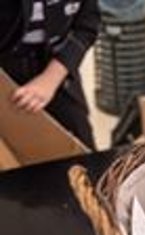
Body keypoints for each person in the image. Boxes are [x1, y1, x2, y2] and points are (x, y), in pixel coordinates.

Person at [0, 0, 100, 150]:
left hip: (56, 66)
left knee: (83, 150)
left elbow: (87, 26)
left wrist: (51, 79)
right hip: (6, 66)